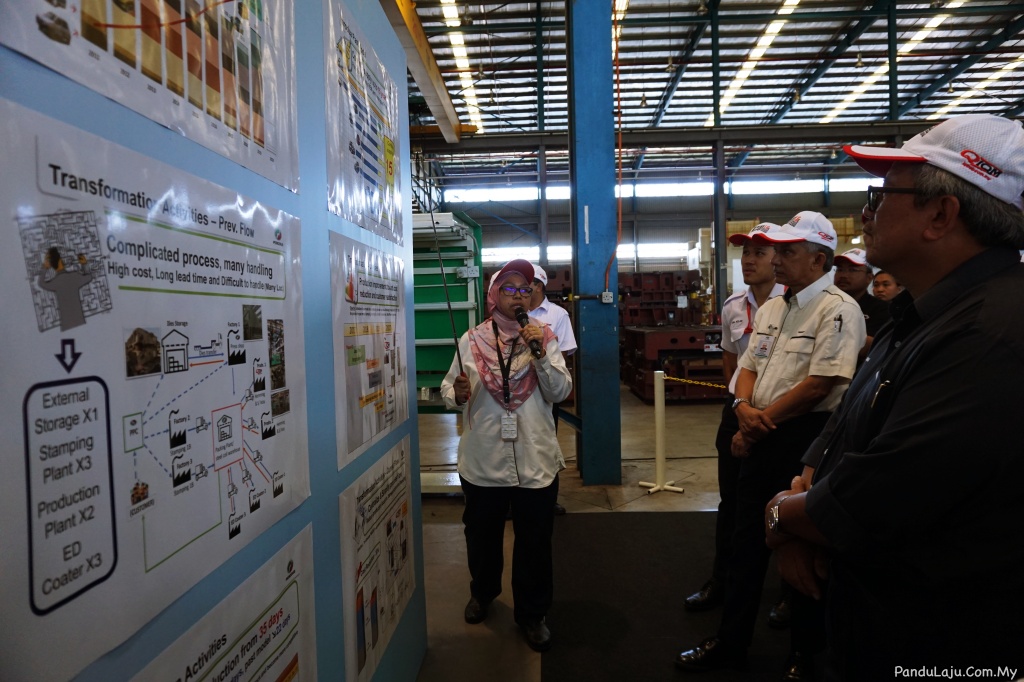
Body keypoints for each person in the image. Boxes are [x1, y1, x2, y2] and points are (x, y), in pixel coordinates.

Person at [764, 113, 1024, 678]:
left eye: (881, 195)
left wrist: (781, 515)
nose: (868, 212)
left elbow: (872, 500)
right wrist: (808, 495)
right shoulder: (923, 314)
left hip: (943, 642)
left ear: (941, 215)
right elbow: (848, 422)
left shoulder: (990, 336)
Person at [676, 213, 865, 680]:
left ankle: (804, 653)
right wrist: (743, 408)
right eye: (775, 251)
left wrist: (757, 423)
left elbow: (820, 385)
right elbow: (748, 366)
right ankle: (731, 641)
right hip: (760, 431)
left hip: (805, 440)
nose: (776, 260)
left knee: (799, 543)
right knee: (747, 543)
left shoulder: (839, 310)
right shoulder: (774, 308)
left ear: (818, 259)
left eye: (787, 252)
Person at [441, 258, 572, 652]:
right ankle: (483, 593)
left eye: (524, 289)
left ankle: (533, 613)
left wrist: (540, 354)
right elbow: (449, 388)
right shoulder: (470, 340)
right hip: (484, 459)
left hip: (535, 458)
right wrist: (455, 394)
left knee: (535, 541)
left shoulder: (544, 338)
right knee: (482, 535)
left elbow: (560, 391)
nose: (518, 296)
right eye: (509, 288)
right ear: (494, 295)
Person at [683, 224, 786, 620]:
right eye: (746, 253)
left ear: (778, 259)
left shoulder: (794, 303)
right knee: (732, 501)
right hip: (739, 410)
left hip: (782, 415)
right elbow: (731, 362)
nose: (749, 260)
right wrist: (738, 406)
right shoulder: (732, 306)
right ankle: (721, 580)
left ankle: (789, 592)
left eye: (759, 253)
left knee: (782, 502)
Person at [527, 264, 577, 515]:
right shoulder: (510, 313)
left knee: (546, 443)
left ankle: (548, 500)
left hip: (546, 392)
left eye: (526, 283)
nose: (520, 290)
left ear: (539, 286)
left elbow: (563, 354)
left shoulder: (557, 315)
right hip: (518, 395)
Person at [832, 248, 890, 359]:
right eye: (840, 269)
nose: (843, 275)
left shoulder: (881, 309)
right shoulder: (826, 305)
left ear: (869, 278)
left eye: (852, 270)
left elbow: (876, 347)